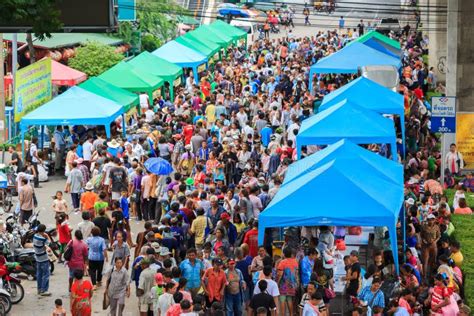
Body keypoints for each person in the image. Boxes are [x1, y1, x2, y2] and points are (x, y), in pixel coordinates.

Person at [276, 247, 299, 316]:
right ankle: (291, 314)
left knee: (282, 300)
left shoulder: (282, 262)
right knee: (289, 300)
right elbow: (296, 274)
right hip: (292, 285)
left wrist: (277, 283)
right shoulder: (295, 261)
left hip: (283, 285)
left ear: (284, 254)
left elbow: (280, 275)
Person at [33, 224, 52, 296]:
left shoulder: (35, 236)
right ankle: (44, 290)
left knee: (39, 274)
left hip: (38, 258)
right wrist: (47, 236)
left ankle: (39, 289)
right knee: (46, 274)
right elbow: (49, 243)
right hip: (43, 258)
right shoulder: (42, 239)